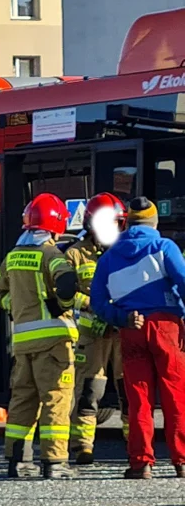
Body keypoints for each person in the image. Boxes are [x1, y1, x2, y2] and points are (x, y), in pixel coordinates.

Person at [90, 196, 185, 479]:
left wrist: (122, 318)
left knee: (138, 399)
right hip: (166, 326)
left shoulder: (109, 257)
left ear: (127, 222)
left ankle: (141, 462)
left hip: (131, 328)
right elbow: (183, 282)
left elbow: (98, 302)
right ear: (154, 222)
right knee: (175, 394)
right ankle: (181, 461)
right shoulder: (164, 246)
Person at [0, 193, 79, 480]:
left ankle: (19, 461)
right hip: (53, 342)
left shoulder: (14, 256)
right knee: (55, 399)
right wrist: (62, 306)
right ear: (56, 225)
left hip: (23, 343)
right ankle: (55, 463)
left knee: (23, 401)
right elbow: (67, 284)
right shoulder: (51, 254)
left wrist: (12, 306)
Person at [65, 193, 130, 465]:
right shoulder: (75, 254)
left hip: (124, 333)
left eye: (116, 223)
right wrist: (93, 305)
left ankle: (136, 446)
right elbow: (65, 296)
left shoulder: (128, 251)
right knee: (90, 393)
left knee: (130, 392)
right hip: (93, 337)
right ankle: (83, 448)